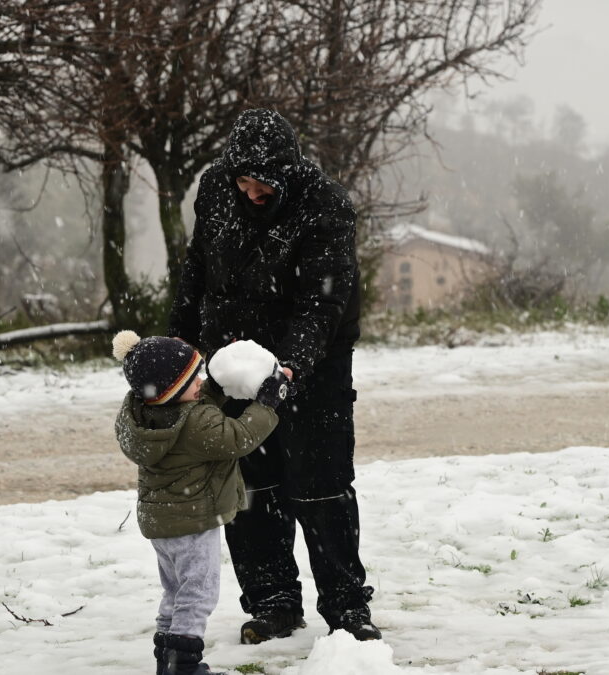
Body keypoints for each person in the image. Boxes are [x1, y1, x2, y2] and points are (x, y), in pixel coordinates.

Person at [168, 108, 379, 643]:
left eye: (261, 184)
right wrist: (179, 349)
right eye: (242, 181)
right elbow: (197, 271)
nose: (250, 192)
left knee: (320, 483)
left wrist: (290, 367)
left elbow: (321, 304)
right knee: (249, 485)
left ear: (286, 171)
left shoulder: (325, 205)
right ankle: (273, 601)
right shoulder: (216, 188)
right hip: (232, 360)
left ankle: (347, 608)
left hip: (315, 363)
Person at [112, 330, 288, 675]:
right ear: (174, 389)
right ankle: (185, 665)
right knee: (199, 593)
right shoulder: (195, 423)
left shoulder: (144, 413)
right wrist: (268, 401)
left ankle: (167, 656)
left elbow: (190, 401)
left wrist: (214, 388)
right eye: (195, 378)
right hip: (193, 521)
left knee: (176, 591)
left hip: (162, 524)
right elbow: (239, 436)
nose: (201, 382)